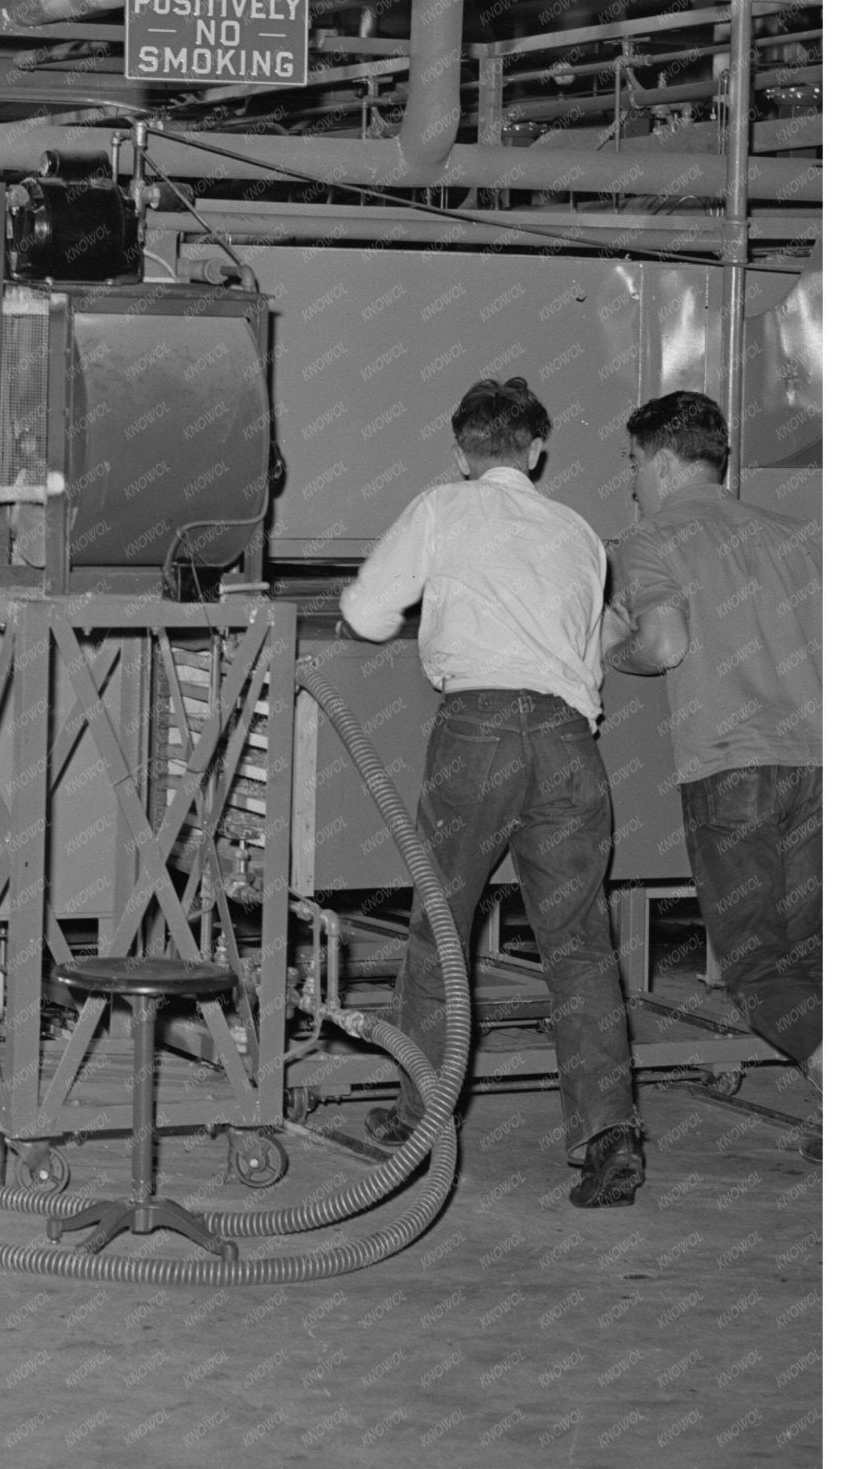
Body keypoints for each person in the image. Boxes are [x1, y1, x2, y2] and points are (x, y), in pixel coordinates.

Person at [339, 376, 643, 1207]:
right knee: (579, 945)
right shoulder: (581, 531)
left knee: (443, 927)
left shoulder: (442, 507)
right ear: (537, 451)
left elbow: (368, 615)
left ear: (461, 451)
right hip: (571, 742)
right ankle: (606, 1133)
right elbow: (590, 652)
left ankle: (420, 1118)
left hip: (476, 734)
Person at [604, 391, 821, 1130]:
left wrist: (612, 650)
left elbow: (664, 644)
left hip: (734, 769)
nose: (631, 480)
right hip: (823, 766)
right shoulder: (801, 536)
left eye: (633, 463)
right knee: (819, 960)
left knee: (757, 968)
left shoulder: (653, 536)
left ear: (663, 461)